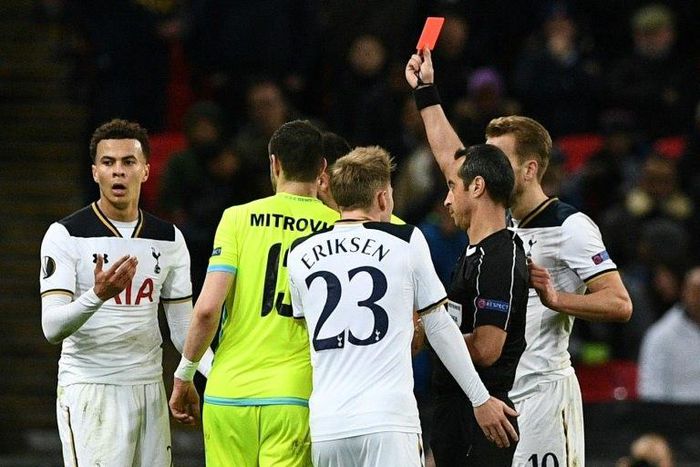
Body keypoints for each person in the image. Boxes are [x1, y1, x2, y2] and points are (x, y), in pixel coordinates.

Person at [405, 48, 633, 467]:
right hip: (498, 393)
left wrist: (559, 300)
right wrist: (426, 92)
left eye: (499, 159)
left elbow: (620, 303)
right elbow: (449, 159)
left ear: (529, 170)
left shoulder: (570, 226)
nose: (485, 167)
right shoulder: (497, 218)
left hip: (545, 394)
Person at [287, 146, 519, 466]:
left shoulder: (299, 253)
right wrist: (480, 399)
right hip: (387, 421)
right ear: (383, 198)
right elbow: (438, 325)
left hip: (328, 425)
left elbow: (305, 325)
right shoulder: (405, 240)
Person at [39, 119, 212, 466]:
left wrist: (215, 372)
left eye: (128, 162)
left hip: (149, 388)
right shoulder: (65, 235)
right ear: (94, 172)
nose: (118, 171)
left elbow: (182, 329)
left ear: (146, 170)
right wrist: (97, 296)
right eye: (108, 162)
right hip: (91, 389)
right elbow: (51, 328)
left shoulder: (168, 238)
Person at [168, 120, 340, 466]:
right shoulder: (337, 225)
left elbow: (206, 310)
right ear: (322, 168)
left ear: (274, 163)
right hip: (294, 395)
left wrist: (184, 373)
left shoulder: (237, 219)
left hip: (228, 393)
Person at [638, 266, 700, 403]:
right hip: (678, 414)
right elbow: (651, 390)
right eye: (695, 292)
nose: (698, 299)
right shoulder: (661, 336)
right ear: (685, 293)